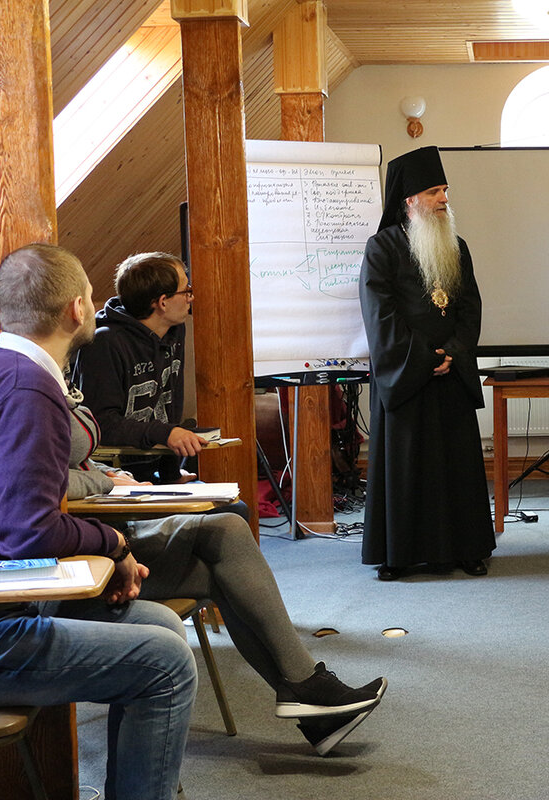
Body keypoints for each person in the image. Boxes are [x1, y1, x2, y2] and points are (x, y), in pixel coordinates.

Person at [0, 243, 196, 800]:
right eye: (93, 298)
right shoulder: (30, 388)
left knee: (161, 627)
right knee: (166, 662)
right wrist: (115, 542)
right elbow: (29, 532)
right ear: (77, 309)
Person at [67, 403, 385, 755]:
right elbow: (46, 478)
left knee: (228, 540)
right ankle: (308, 691)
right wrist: (103, 480)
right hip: (88, 561)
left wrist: (106, 473)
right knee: (227, 543)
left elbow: (73, 463)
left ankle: (310, 694)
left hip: (109, 533)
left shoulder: (52, 382)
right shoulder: (26, 386)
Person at [358, 146, 496, 581]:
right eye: (435, 191)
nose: (444, 198)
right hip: (407, 379)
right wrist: (421, 360)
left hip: (450, 375)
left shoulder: (458, 247)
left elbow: (469, 307)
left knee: (457, 469)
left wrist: (453, 352)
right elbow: (380, 316)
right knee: (406, 469)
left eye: (445, 190)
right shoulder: (381, 248)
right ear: (409, 199)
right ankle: (398, 554)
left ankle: (467, 549)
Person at [71, 252, 204, 484]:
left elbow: (168, 407)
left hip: (155, 470)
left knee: (235, 507)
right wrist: (165, 434)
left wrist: (171, 475)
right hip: (117, 477)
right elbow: (101, 422)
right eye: (186, 290)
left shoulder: (174, 330)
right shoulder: (104, 342)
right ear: (162, 302)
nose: (191, 297)